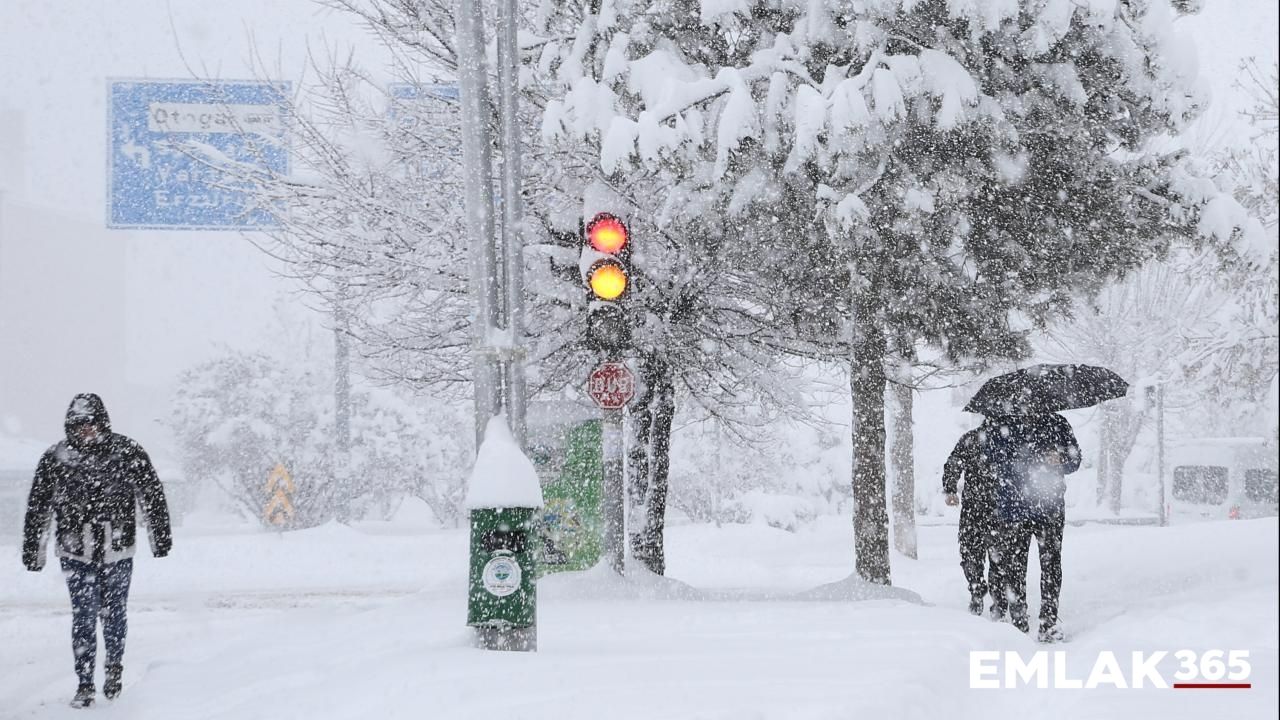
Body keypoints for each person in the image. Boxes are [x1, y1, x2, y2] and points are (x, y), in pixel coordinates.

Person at [22, 393, 172, 708]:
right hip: (75, 552)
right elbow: (39, 507)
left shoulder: (127, 451)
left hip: (118, 549)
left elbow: (152, 495)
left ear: (101, 422)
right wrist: (33, 551)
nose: (85, 430)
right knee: (84, 617)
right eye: (78, 425)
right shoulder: (57, 458)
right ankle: (85, 682)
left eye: (90, 424)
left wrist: (160, 538)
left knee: (115, 614)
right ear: (70, 426)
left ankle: (114, 669)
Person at [987, 412, 1080, 643]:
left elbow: (1075, 459)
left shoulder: (1057, 423)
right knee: (1015, 566)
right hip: (1014, 507)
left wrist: (1060, 459)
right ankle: (1019, 622)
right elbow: (991, 459)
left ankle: (1048, 622)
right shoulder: (1002, 425)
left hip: (1049, 508)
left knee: (1050, 564)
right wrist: (1020, 461)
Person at [942, 417, 1004, 617]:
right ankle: (997, 599)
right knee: (998, 557)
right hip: (999, 508)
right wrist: (950, 488)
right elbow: (954, 464)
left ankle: (978, 590)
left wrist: (951, 489)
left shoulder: (971, 438)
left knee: (971, 553)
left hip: (974, 507)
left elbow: (953, 464)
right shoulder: (1007, 440)